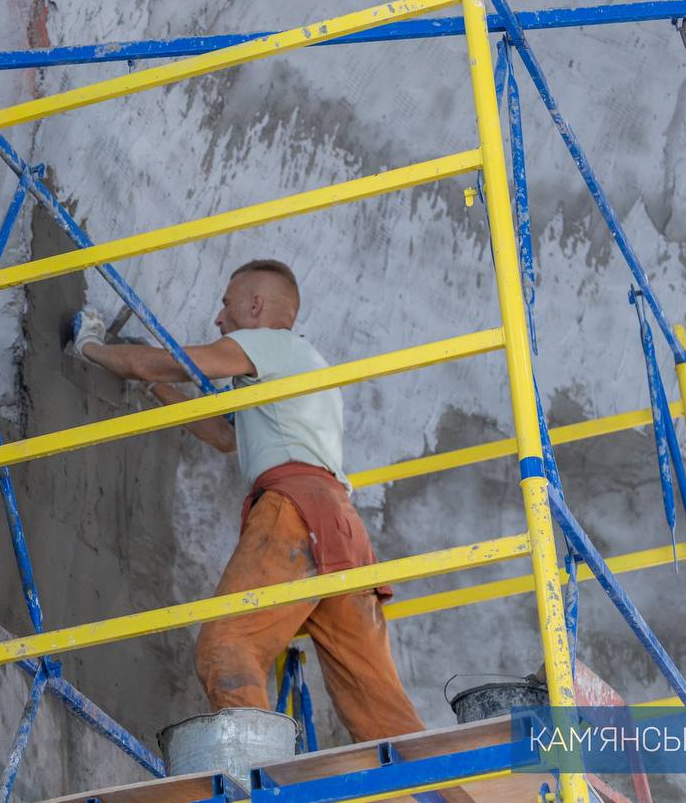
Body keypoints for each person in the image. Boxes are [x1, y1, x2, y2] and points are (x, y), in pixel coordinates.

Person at [70, 259, 428, 745]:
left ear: (255, 305)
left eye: (225, 304)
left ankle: (261, 783)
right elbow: (222, 434)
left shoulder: (272, 346)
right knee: (380, 710)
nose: (219, 318)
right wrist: (153, 386)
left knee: (227, 646)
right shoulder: (301, 377)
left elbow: (178, 361)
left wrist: (96, 348)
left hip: (295, 513)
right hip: (341, 534)